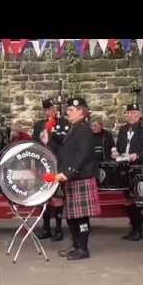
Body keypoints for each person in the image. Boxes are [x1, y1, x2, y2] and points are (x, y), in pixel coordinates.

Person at [55, 98, 101, 260]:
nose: (68, 112)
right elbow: (68, 150)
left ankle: (83, 248)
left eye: (71, 110)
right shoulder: (74, 128)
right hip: (73, 178)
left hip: (80, 177)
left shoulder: (84, 130)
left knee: (81, 216)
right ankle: (76, 245)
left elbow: (82, 155)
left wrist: (68, 173)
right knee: (72, 216)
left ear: (81, 111)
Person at [112, 103, 143, 241]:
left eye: (134, 113)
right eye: (129, 113)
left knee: (138, 199)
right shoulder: (124, 129)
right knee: (128, 199)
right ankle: (134, 228)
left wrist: (138, 155)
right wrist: (115, 152)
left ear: (139, 114)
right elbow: (119, 145)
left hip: (140, 167)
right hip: (125, 166)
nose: (131, 115)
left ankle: (138, 230)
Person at [32, 98, 70, 241]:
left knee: (57, 197)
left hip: (57, 164)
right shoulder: (38, 125)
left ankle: (59, 228)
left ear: (55, 109)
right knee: (44, 198)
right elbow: (34, 145)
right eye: (46, 109)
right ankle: (46, 227)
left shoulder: (64, 124)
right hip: (42, 165)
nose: (48, 112)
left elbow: (66, 144)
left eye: (50, 109)